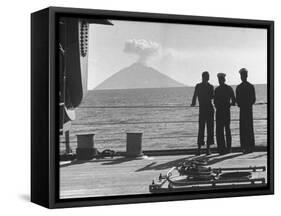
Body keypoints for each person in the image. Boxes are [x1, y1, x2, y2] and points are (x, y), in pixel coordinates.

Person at [191, 71, 215, 155]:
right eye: (207, 76)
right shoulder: (209, 86)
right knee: (203, 129)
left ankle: (204, 149)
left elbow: (195, 96)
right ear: (205, 77)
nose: (207, 78)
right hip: (206, 108)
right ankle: (202, 149)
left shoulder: (200, 86)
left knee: (207, 129)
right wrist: (193, 102)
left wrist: (193, 103)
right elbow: (212, 97)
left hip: (206, 108)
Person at [214, 73, 236, 155]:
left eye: (220, 79)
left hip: (220, 111)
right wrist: (229, 104)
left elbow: (215, 102)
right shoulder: (229, 88)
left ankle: (221, 149)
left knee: (220, 131)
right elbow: (234, 100)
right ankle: (228, 148)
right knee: (227, 130)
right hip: (226, 111)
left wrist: (219, 106)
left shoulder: (217, 90)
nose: (220, 81)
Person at [236, 68, 256, 153]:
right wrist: (247, 104)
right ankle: (249, 147)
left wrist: (242, 104)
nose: (242, 77)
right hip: (247, 109)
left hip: (244, 109)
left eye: (243, 75)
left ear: (245, 76)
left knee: (245, 129)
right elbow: (253, 99)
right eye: (242, 75)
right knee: (247, 129)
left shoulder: (239, 87)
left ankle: (245, 147)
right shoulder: (250, 86)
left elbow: (238, 100)